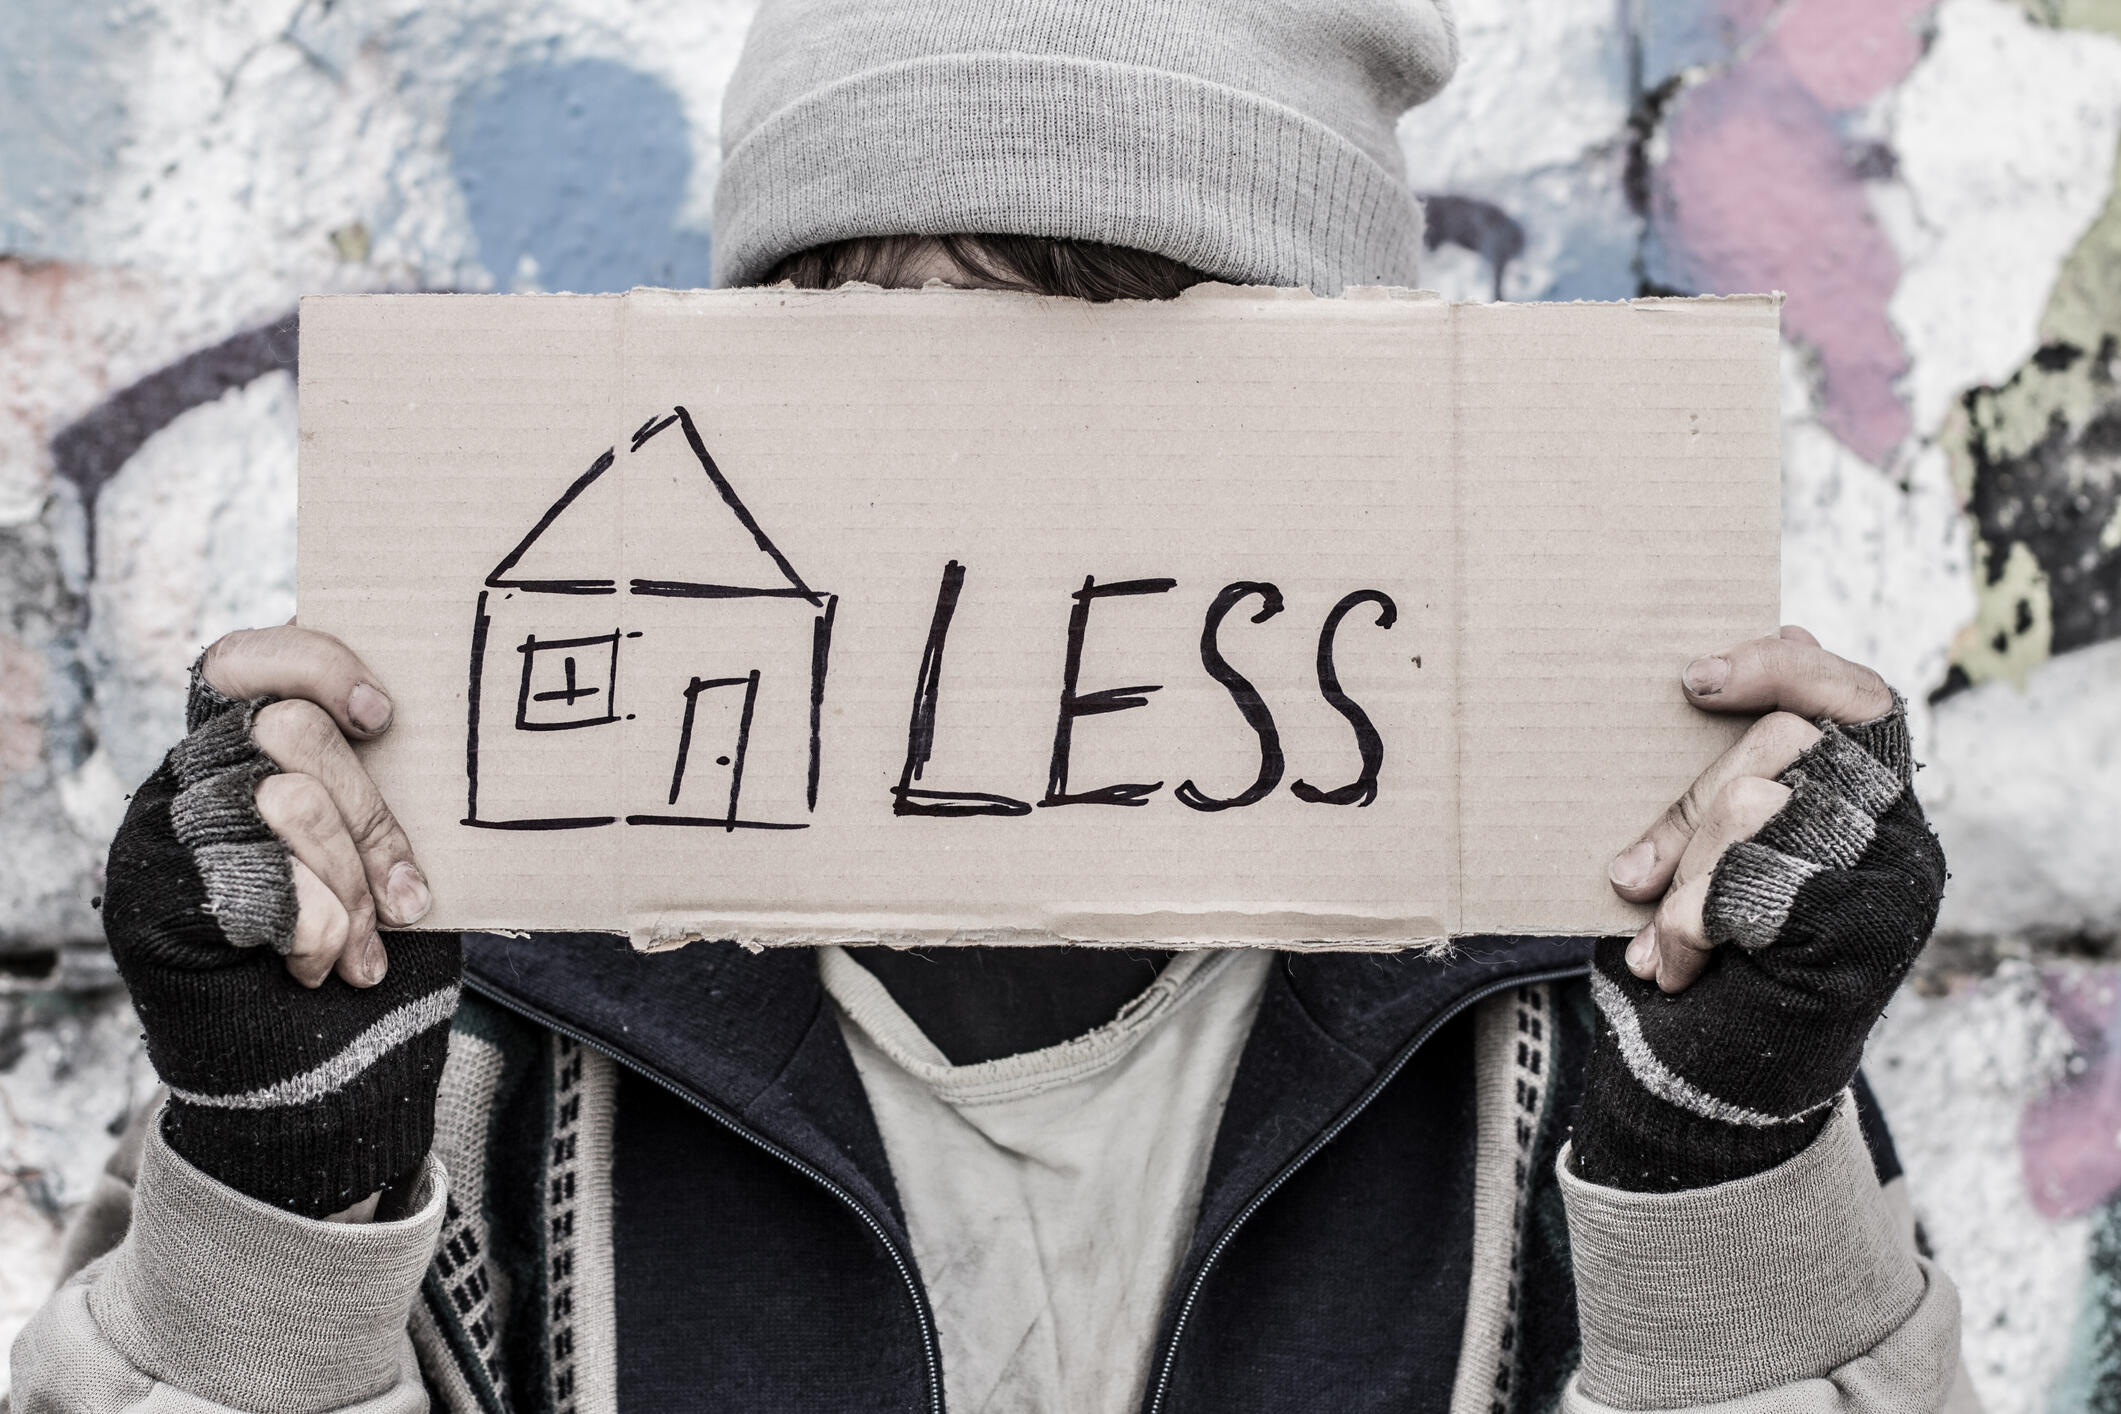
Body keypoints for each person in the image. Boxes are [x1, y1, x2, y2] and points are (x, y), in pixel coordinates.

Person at [11, 3, 1971, 1412]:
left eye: (1120, 333)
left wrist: (1726, 1172)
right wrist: (282, 1198)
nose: (1002, 504)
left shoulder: (1599, 999)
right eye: (888, 351)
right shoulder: (472, 1009)